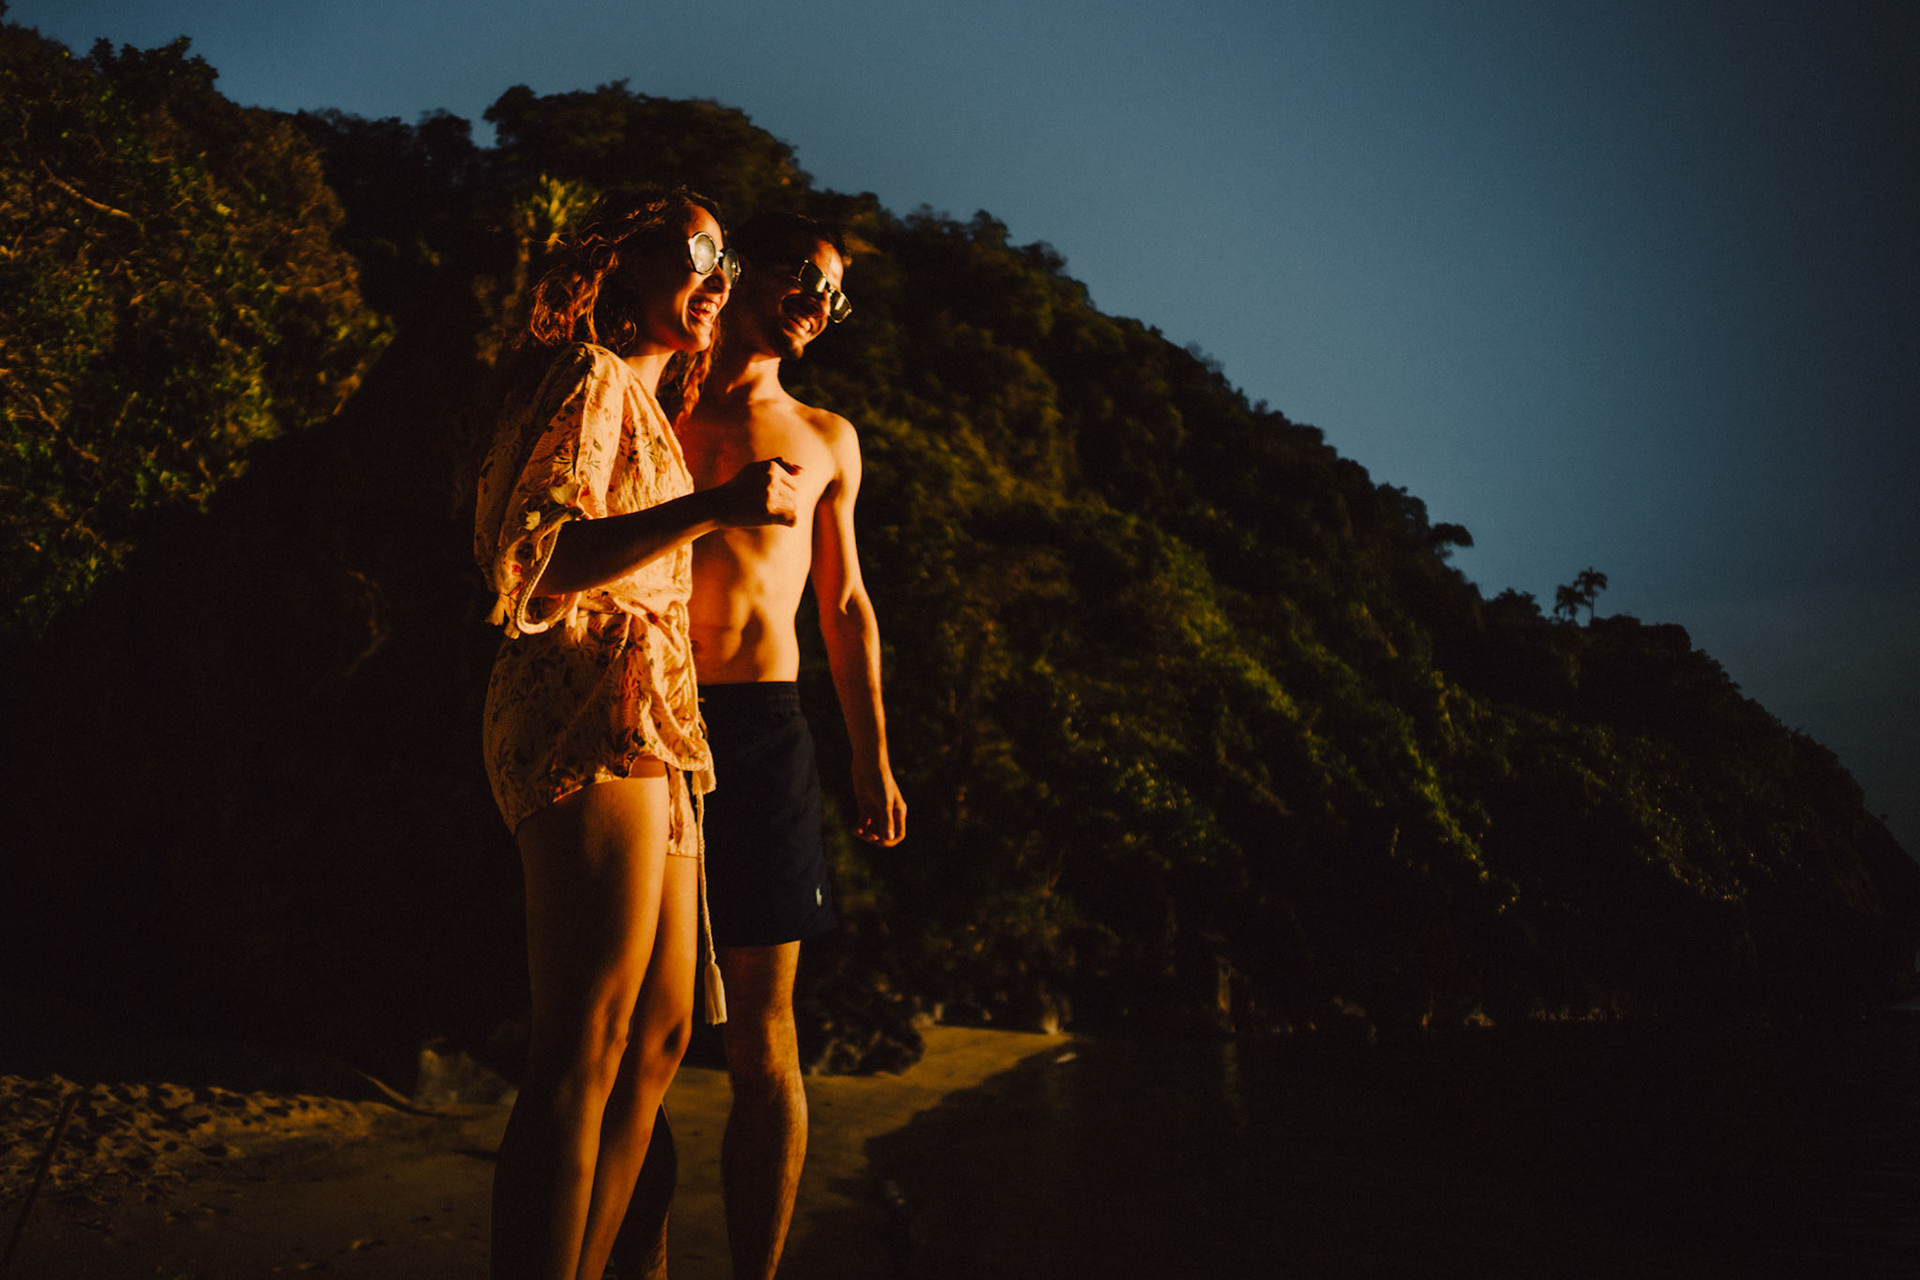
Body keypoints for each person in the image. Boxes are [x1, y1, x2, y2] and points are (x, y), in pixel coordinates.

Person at [473, 188, 802, 1280]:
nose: (719, 277)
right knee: (584, 1041)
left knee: (658, 1041)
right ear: (622, 269)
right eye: (697, 257)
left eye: (726, 265)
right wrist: (711, 508)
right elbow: (536, 564)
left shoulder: (654, 410)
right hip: (581, 696)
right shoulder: (588, 377)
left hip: (662, 724)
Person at [613, 211, 907, 1280]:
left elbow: (848, 605)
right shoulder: (650, 399)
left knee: (762, 1033)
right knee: (638, 1041)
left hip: (769, 729)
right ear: (741, 274)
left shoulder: (828, 437)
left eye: (835, 295)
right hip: (647, 723)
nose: (817, 303)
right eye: (803, 277)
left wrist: (870, 753)